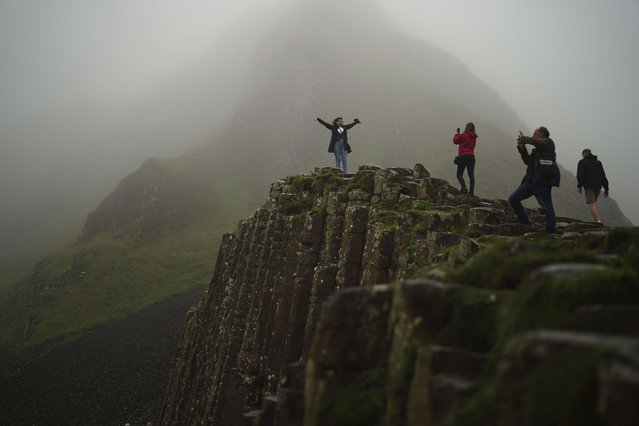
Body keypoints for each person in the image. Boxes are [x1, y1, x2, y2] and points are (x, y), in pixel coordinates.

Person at [508, 126, 559, 233]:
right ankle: (527, 223)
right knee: (514, 199)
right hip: (533, 181)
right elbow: (527, 162)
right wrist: (523, 149)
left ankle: (551, 232)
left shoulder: (549, 143)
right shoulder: (537, 150)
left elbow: (535, 142)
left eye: (535, 134)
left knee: (547, 207)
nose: (533, 136)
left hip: (541, 182)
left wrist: (523, 138)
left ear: (542, 134)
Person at [576, 148, 609, 224]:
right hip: (598, 186)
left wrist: (579, 186)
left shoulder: (582, 162)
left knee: (592, 203)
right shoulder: (598, 163)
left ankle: (598, 222)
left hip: (589, 186)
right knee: (593, 203)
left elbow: (580, 175)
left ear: (584, 154)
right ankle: (597, 221)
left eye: (582, 155)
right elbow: (603, 176)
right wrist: (606, 189)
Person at [453, 122, 478, 194]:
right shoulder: (474, 137)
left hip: (463, 156)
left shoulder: (464, 135)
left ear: (467, 127)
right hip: (472, 157)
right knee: (471, 175)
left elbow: (455, 141)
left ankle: (464, 188)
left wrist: (456, 134)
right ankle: (471, 192)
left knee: (459, 174)